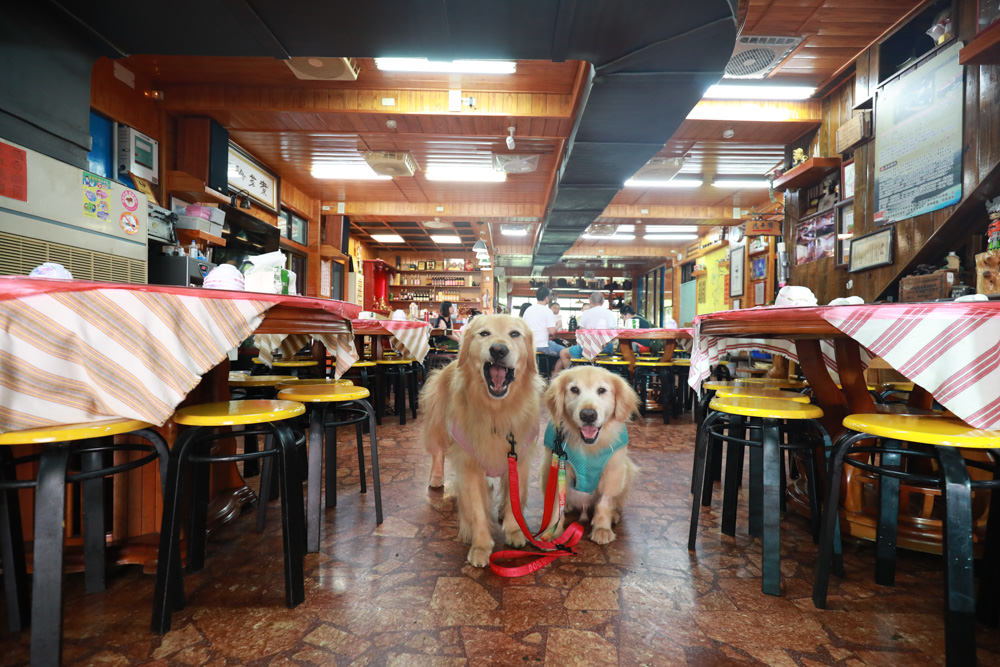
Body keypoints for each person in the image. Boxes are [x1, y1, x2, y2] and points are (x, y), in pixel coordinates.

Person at [553, 291, 617, 373]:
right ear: (603, 302)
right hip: (606, 348)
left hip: (589, 347)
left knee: (563, 353)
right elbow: (613, 334)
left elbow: (580, 332)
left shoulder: (586, 313)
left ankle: (574, 376)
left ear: (590, 301)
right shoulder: (610, 313)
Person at [521, 286, 562, 359]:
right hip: (542, 346)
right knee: (566, 352)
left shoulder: (528, 309)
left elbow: (523, 328)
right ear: (546, 298)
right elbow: (552, 332)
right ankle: (555, 367)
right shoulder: (547, 311)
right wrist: (558, 325)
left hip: (528, 346)